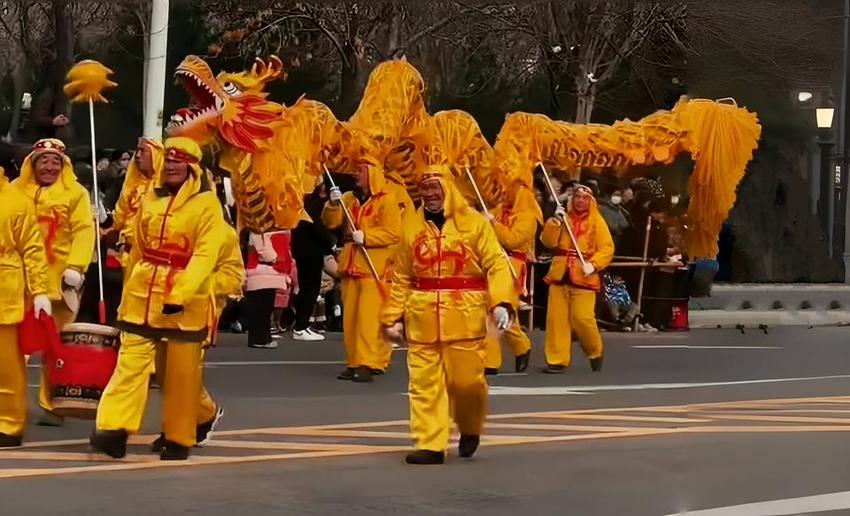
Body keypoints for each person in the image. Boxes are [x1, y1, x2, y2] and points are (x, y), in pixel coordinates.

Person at [91, 137, 226, 461]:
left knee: (180, 374)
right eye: (171, 159)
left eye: (181, 160)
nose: (174, 165)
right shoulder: (150, 199)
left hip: (184, 299)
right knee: (129, 366)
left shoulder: (208, 206)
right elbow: (137, 248)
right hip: (143, 295)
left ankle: (180, 437)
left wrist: (180, 294)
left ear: (193, 167)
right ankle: (113, 429)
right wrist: (129, 290)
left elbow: (206, 255)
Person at [380, 165, 514, 465]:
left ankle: (470, 425)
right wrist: (392, 316)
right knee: (424, 384)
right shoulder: (410, 225)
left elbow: (496, 264)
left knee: (467, 384)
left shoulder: (474, 223)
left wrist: (502, 302)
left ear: (448, 188)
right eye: (424, 189)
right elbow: (401, 275)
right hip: (422, 315)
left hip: (464, 315)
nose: (429, 194)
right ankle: (430, 443)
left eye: (434, 187)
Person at [12, 138, 95, 426]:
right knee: (13, 348)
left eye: (55, 161)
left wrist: (75, 266)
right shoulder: (14, 193)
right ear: (32, 164)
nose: (49, 166)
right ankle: (10, 406)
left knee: (54, 347)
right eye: (44, 160)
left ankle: (52, 405)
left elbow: (84, 231)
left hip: (59, 283)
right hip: (17, 283)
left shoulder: (76, 194)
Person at [151, 220, 243, 452]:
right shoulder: (169, 221)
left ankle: (184, 426)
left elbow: (233, 276)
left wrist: (198, 284)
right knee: (162, 373)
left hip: (199, 313)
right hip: (165, 309)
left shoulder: (223, 232)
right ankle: (199, 416)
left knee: (182, 374)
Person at [322, 157, 403, 383]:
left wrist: (367, 236)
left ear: (372, 172)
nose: (356, 174)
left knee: (369, 321)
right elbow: (331, 222)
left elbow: (393, 232)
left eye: (360, 170)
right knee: (351, 321)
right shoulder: (349, 198)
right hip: (351, 266)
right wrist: (333, 204)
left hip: (373, 268)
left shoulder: (387, 200)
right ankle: (355, 361)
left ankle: (368, 363)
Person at [0, 166, 51, 447]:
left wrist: (39, 290)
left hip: (5, 293)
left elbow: (32, 248)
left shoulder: (16, 200)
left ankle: (8, 424)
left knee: (6, 368)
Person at [540, 183, 614, 373]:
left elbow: (607, 248)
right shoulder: (563, 218)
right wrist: (554, 222)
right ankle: (557, 360)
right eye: (577, 197)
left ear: (591, 201)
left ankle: (595, 350)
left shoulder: (597, 222)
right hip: (559, 273)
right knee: (556, 320)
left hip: (584, 275)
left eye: (585, 198)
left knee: (582, 319)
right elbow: (547, 241)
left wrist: (595, 264)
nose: (581, 201)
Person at [483, 180, 541, 374]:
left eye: (511, 190)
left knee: (498, 308)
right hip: (491, 261)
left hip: (512, 265)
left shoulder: (528, 217)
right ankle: (518, 347)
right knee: (492, 310)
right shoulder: (498, 210)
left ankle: (493, 360)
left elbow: (511, 239)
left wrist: (492, 223)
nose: (505, 192)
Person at [290, 184, 335, 341]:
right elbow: (315, 225)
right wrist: (331, 242)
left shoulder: (313, 201)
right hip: (308, 250)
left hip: (310, 250)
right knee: (310, 288)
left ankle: (302, 325)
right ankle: (301, 326)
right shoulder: (309, 201)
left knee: (309, 288)